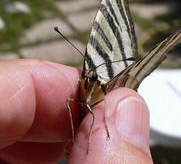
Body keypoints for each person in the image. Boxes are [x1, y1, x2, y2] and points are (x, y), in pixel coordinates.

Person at [0, 59, 153, 164]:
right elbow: (70, 101)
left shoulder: (100, 89)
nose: (85, 80)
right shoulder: (83, 85)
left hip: (109, 102)